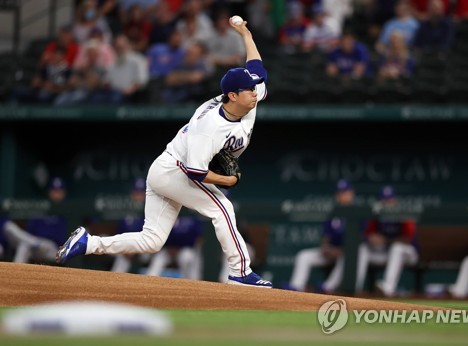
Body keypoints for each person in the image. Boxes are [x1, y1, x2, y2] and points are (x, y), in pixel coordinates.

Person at [56, 17, 273, 288]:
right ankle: (240, 272)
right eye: (248, 89)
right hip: (176, 171)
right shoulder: (209, 127)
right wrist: (227, 181)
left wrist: (245, 34)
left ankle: (89, 243)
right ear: (231, 95)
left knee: (151, 240)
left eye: (254, 88)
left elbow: (257, 68)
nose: (255, 92)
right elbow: (194, 172)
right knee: (223, 208)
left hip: (166, 168)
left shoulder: (246, 99)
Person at [282, 179, 354, 293]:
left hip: (348, 254)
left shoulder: (358, 212)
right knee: (304, 256)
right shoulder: (333, 213)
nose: (343, 196)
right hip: (331, 252)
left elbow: (360, 240)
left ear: (351, 194)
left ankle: (327, 287)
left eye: (345, 192)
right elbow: (326, 237)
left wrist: (342, 250)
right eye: (340, 193)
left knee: (347, 256)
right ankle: (296, 287)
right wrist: (326, 247)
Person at [355, 185, 419, 297]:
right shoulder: (377, 215)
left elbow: (408, 240)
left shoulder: (403, 213)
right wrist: (371, 238)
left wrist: (385, 240)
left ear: (395, 200)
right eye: (384, 200)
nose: (387, 203)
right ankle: (355, 289)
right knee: (362, 249)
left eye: (390, 200)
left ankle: (388, 288)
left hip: (410, 254)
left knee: (397, 248)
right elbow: (365, 235)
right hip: (388, 254)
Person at [2, 177, 68, 264]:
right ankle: (14, 275)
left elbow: (64, 240)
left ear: (64, 193)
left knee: (26, 241)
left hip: (54, 249)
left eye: (59, 191)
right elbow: (30, 232)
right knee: (24, 246)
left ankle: (35, 243)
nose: (56, 194)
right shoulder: (41, 209)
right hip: (36, 245)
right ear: (49, 192)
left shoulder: (67, 211)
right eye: (54, 191)